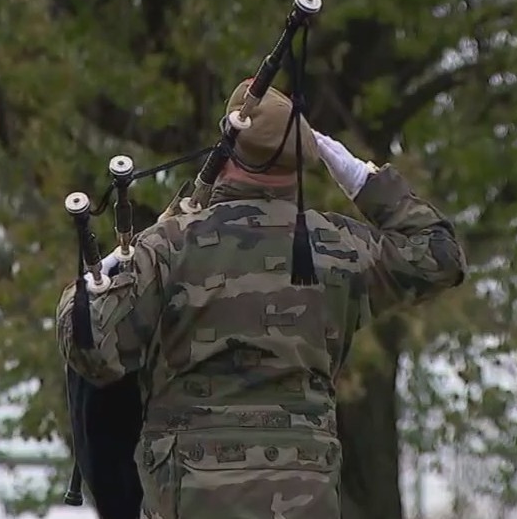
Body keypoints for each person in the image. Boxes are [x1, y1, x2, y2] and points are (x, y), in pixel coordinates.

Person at [56, 79, 467, 518]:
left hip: (192, 496)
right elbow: (438, 256)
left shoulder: (168, 246)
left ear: (226, 151)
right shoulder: (339, 246)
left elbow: (89, 347)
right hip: (304, 499)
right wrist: (360, 177)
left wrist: (104, 278)